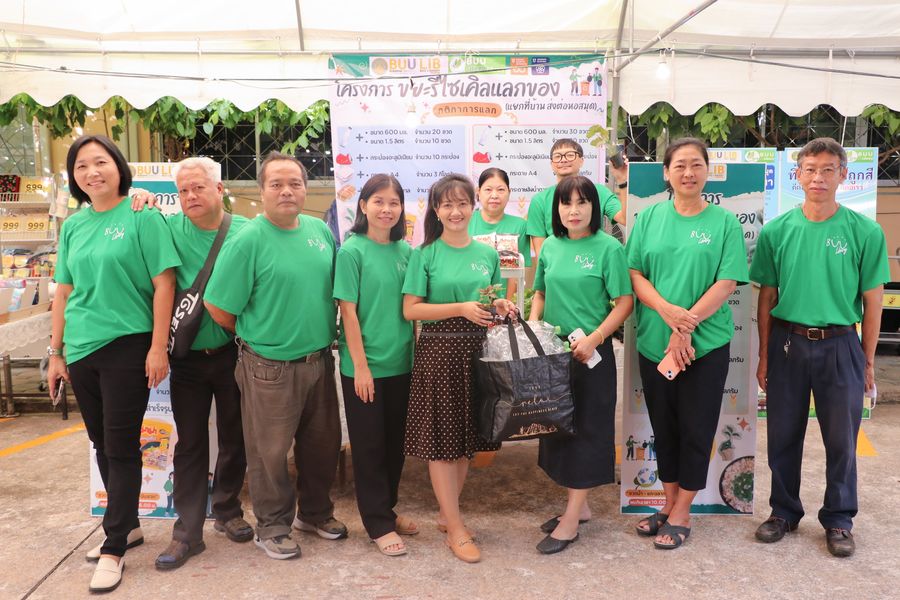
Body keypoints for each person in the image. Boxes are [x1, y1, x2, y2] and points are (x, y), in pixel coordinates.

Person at [47, 135, 179, 592]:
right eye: (81, 165)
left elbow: (165, 284)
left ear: (118, 167)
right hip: (82, 348)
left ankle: (114, 546)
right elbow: (64, 292)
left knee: (120, 445)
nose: (92, 172)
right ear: (75, 177)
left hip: (128, 345)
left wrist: (158, 347)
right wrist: (56, 353)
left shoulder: (143, 215)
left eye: (100, 162)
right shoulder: (74, 227)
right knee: (102, 442)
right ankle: (129, 525)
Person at [204, 152, 347, 560]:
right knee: (269, 454)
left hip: (319, 361)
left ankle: (315, 513)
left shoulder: (319, 231)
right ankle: (272, 526)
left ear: (305, 189)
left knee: (322, 446)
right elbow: (218, 307)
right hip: (268, 368)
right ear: (262, 191)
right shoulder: (248, 240)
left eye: (295, 183)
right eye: (276, 184)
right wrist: (258, 336)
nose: (287, 191)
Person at [751, 137, 889, 557]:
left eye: (828, 169)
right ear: (797, 175)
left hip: (841, 343)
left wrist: (867, 360)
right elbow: (767, 297)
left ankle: (839, 519)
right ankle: (783, 512)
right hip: (788, 343)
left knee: (843, 440)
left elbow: (873, 300)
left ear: (843, 175)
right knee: (782, 435)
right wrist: (764, 354)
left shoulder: (865, 231)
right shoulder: (777, 231)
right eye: (810, 169)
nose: (818, 178)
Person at [131, 157, 254, 571]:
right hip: (185, 360)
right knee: (190, 445)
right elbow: (138, 229)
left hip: (234, 353)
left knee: (235, 437)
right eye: (182, 190)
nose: (190, 196)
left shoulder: (246, 231)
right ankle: (187, 532)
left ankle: (228, 510)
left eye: (198, 187)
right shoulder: (168, 228)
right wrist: (139, 195)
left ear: (219, 189)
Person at [626, 137, 749, 550]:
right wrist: (668, 313)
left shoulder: (724, 223)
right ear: (666, 172)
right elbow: (635, 274)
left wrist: (686, 326)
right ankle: (666, 502)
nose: (688, 173)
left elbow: (727, 282)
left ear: (707, 171)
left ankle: (682, 511)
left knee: (697, 428)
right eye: (679, 165)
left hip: (705, 345)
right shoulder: (648, 218)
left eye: (696, 164)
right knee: (664, 428)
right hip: (655, 343)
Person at [402, 174, 516, 564]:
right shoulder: (425, 254)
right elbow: (411, 309)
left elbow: (491, 298)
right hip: (439, 352)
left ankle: (446, 513)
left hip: (478, 351)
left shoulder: (487, 254)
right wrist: (460, 308)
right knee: (442, 442)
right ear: (436, 210)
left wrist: (499, 305)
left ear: (473, 206)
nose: (456, 211)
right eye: (447, 205)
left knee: (467, 437)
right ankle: (455, 527)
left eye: (462, 203)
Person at [528, 175, 633, 555]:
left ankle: (571, 520)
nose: (573, 210)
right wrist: (534, 326)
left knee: (587, 434)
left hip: (591, 358)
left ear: (594, 207)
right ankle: (580, 506)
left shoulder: (609, 248)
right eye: (566, 203)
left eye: (582, 202)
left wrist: (595, 338)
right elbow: (540, 292)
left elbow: (624, 302)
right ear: (556, 209)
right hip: (554, 358)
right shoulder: (551, 247)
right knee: (558, 432)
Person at [334, 174, 417, 556]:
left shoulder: (406, 252)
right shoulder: (352, 251)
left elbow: (412, 310)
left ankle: (387, 509)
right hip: (364, 367)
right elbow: (348, 313)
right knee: (369, 448)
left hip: (402, 364)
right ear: (363, 205)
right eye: (379, 201)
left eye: (394, 202)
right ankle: (377, 523)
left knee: (395, 447)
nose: (387, 209)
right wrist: (361, 367)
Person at [527, 138, 628, 256]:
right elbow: (541, 252)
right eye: (557, 156)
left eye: (570, 155)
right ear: (552, 164)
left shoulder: (599, 192)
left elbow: (624, 218)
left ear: (581, 160)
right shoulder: (540, 200)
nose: (563, 160)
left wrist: (622, 180)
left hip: (594, 261)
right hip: (559, 263)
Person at [468, 168, 531, 300]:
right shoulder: (466, 222)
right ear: (478, 192)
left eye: (501, 190)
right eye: (488, 189)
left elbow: (516, 273)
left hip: (504, 303)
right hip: (468, 301)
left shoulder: (520, 226)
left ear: (509, 192)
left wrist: (507, 304)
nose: (494, 195)